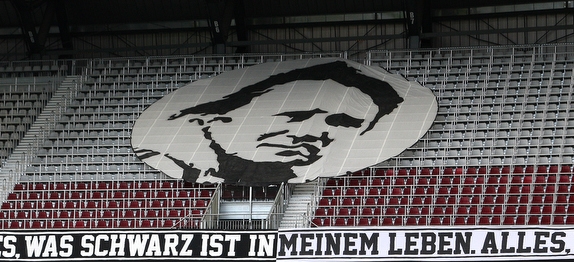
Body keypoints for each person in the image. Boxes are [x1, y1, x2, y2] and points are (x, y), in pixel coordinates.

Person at [135, 59, 405, 185]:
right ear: (224, 116)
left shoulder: (293, 173)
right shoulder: (171, 157)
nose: (317, 134)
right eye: (298, 116)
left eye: (340, 123)